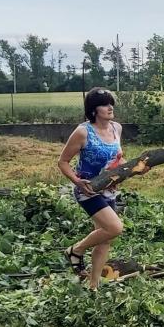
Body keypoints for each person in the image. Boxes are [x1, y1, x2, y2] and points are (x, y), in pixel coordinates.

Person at [58, 88, 125, 290]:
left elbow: (118, 158)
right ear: (94, 110)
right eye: (104, 104)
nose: (110, 107)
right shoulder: (83, 131)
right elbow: (63, 162)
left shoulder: (116, 128)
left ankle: (93, 286)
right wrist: (77, 181)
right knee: (115, 228)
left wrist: (128, 170)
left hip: (109, 190)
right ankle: (76, 250)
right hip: (88, 191)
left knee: (105, 239)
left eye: (111, 103)